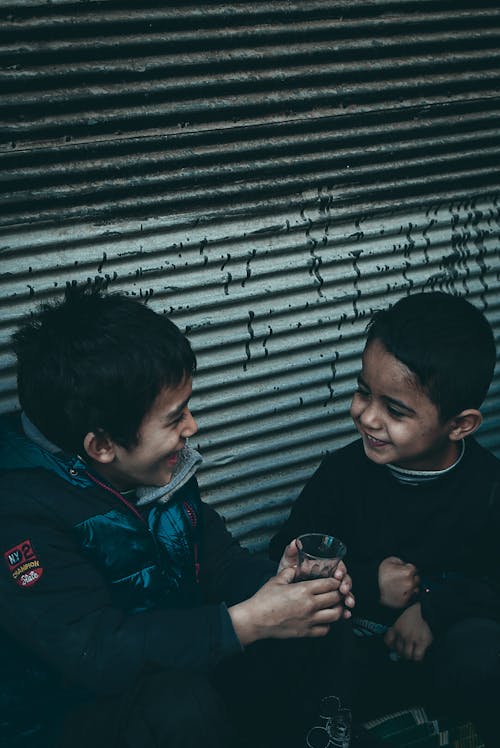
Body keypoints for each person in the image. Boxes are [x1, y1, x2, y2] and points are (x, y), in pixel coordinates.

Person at [0, 284, 357, 748]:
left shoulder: (156, 466)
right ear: (102, 445)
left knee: (318, 615)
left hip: (178, 657)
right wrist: (246, 623)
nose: (192, 427)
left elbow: (219, 564)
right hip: (65, 715)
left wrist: (287, 586)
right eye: (174, 418)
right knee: (178, 706)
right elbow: (99, 652)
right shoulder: (20, 515)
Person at [270, 291, 500, 747]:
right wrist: (368, 580)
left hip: (438, 658)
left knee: (483, 649)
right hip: (351, 669)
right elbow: (285, 562)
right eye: (363, 392)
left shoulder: (488, 487)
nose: (367, 417)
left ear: (460, 425)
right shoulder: (343, 473)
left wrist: (431, 609)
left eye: (395, 410)